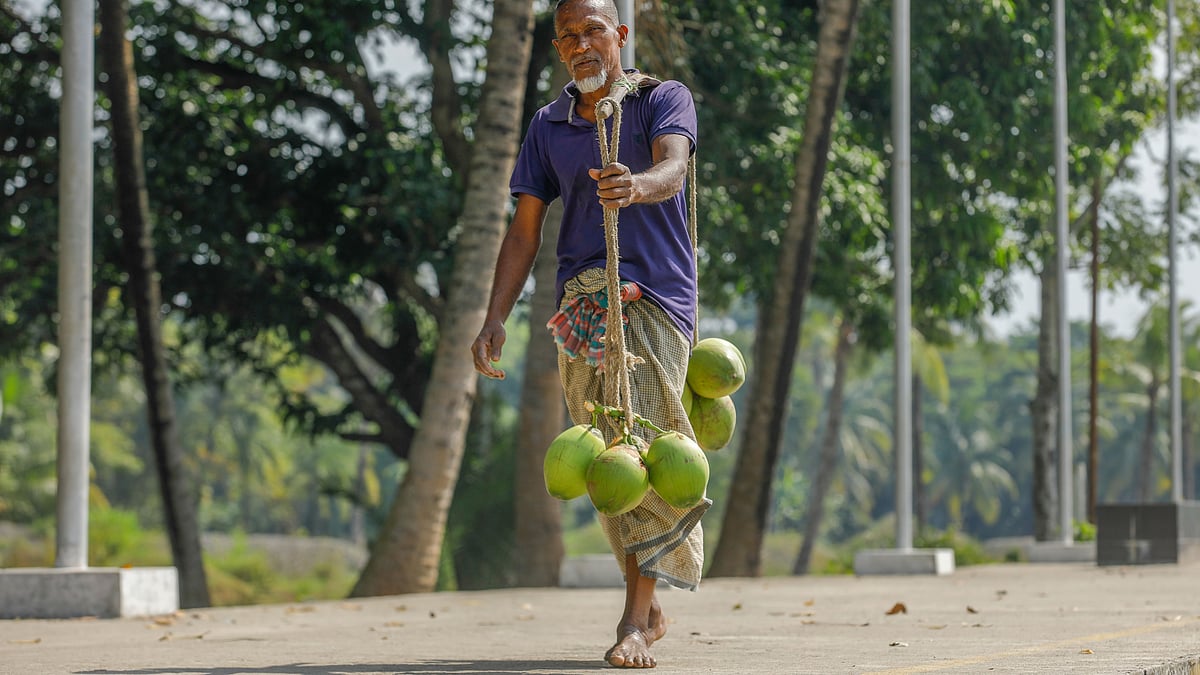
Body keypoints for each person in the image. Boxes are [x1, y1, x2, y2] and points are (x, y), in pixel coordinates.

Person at [470, 0, 708, 668]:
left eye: (594, 30)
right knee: (609, 456)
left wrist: (636, 186)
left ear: (620, 36)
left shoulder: (663, 98)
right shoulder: (548, 126)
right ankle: (649, 602)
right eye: (568, 35)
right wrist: (494, 316)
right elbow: (524, 229)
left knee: (647, 440)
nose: (581, 44)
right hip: (581, 303)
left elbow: (673, 169)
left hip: (656, 298)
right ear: (558, 47)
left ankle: (634, 618)